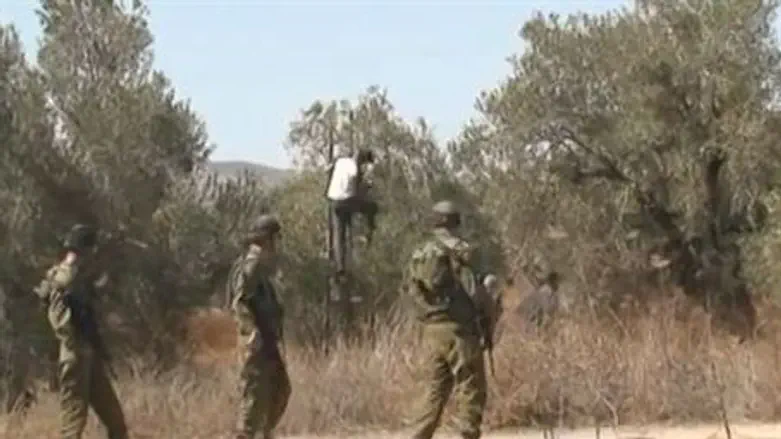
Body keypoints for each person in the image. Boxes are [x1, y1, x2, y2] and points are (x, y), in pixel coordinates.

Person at [403, 200, 495, 439]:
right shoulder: (461, 251)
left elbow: (411, 290)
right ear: (456, 221)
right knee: (471, 386)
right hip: (459, 331)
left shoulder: (420, 252)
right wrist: (487, 316)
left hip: (431, 330)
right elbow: (475, 292)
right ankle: (466, 435)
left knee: (433, 391)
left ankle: (416, 435)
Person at [32, 224, 128, 439]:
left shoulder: (78, 278)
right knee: (73, 424)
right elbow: (61, 294)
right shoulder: (64, 277)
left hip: (89, 354)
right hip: (75, 355)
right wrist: (74, 262)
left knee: (116, 422)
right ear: (85, 249)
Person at [226, 215, 291, 439]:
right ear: (267, 239)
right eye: (275, 238)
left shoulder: (262, 267)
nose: (277, 244)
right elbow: (240, 302)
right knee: (254, 395)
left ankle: (264, 432)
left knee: (279, 390)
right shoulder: (251, 265)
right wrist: (251, 333)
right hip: (256, 343)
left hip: (267, 340)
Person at [325, 148, 379, 274]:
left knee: (339, 235)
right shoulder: (355, 169)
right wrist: (367, 185)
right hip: (347, 201)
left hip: (333, 200)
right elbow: (358, 190)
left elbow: (328, 169)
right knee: (372, 207)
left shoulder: (341, 161)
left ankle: (340, 267)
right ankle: (369, 232)